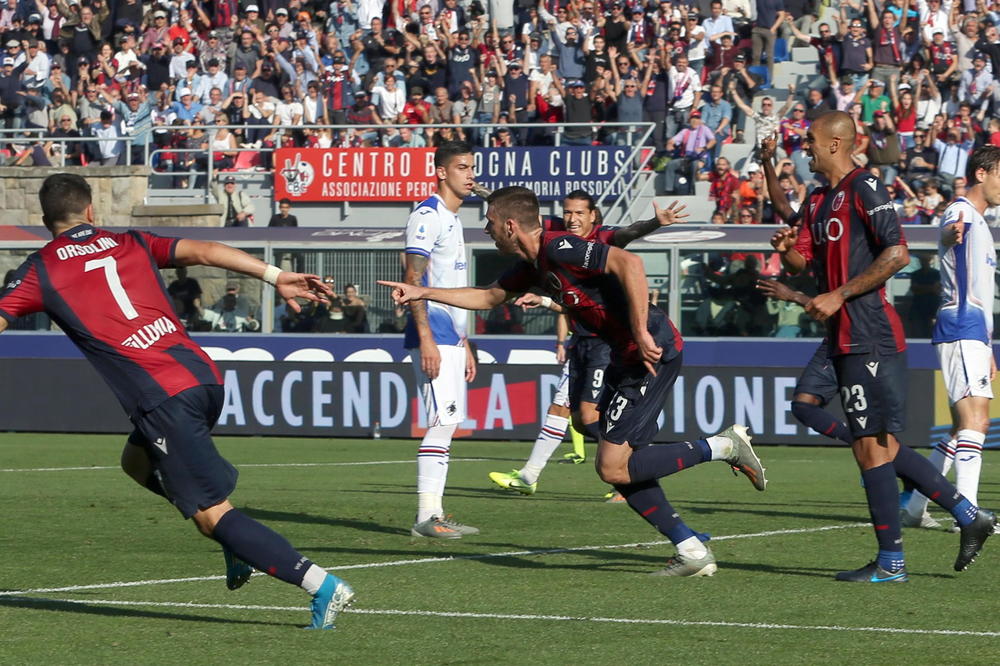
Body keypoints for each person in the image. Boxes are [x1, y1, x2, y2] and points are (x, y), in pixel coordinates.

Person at [0, 173, 353, 629]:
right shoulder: (129, 240)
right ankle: (238, 543)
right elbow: (206, 251)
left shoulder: (39, 270)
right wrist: (277, 275)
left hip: (162, 397)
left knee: (211, 516)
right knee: (136, 462)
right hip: (203, 378)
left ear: (44, 220)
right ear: (90, 211)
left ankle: (322, 585)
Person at [381, 186, 769, 577]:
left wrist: (639, 330)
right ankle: (690, 549)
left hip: (651, 350)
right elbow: (488, 297)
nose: (487, 230)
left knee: (614, 467)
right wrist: (424, 291)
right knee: (616, 461)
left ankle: (722, 446)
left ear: (511, 225)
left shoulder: (558, 247)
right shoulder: (528, 267)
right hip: (624, 353)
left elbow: (629, 264)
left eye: (491, 223)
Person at [770, 110, 995, 581]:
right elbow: (798, 264)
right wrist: (786, 248)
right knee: (879, 445)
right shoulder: (817, 199)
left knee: (872, 449)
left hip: (870, 333)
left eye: (810, 141)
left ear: (835, 143)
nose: (803, 148)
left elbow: (897, 253)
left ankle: (893, 561)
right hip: (842, 336)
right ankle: (968, 516)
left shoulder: (864, 187)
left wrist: (839, 293)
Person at [488, 190, 691, 496]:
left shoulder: (598, 239)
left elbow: (626, 237)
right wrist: (554, 320)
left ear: (593, 216)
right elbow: (568, 300)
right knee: (579, 421)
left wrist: (654, 222)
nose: (573, 218)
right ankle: (623, 456)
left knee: (584, 415)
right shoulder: (550, 243)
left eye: (580, 213)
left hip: (605, 344)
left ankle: (629, 456)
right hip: (580, 341)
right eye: (568, 212)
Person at [902, 146, 1000, 531]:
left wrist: (989, 347)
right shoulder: (961, 212)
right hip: (960, 324)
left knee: (962, 427)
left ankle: (914, 509)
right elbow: (946, 230)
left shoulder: (980, 219)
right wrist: (950, 233)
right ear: (981, 174)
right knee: (977, 418)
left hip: (973, 330)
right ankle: (969, 514)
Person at [402, 140, 478, 539]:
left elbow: (450, 286)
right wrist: (427, 339)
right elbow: (413, 280)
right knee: (441, 420)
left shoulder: (453, 219)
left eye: (472, 168)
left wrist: (464, 343)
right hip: (433, 333)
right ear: (441, 172)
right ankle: (426, 516)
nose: (470, 175)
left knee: (449, 422)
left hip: (451, 336)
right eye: (463, 168)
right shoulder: (427, 216)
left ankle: (434, 514)